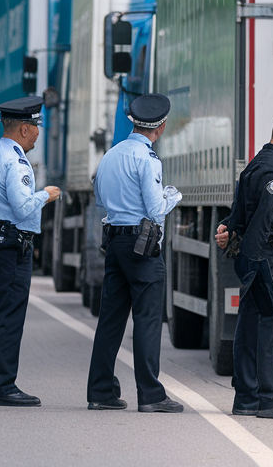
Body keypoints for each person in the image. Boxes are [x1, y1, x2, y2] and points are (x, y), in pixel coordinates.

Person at [86, 94, 183, 413]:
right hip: (142, 245)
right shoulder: (148, 158)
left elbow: (100, 201)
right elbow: (155, 210)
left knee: (110, 320)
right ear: (161, 127)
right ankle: (151, 395)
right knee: (147, 319)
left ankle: (100, 391)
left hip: (115, 241)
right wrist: (173, 196)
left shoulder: (111, 155)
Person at [215, 111, 273, 421]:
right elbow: (264, 220)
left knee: (250, 324)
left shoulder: (252, 167)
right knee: (271, 327)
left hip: (254, 256)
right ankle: (271, 399)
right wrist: (256, 263)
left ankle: (246, 398)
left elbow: (238, 215)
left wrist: (227, 229)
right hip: (266, 257)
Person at [0, 96, 61, 407]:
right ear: (24, 129)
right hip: (12, 242)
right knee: (9, 315)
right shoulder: (15, 161)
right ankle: (3, 386)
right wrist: (46, 195)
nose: (39, 133)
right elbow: (23, 205)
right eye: (36, 127)